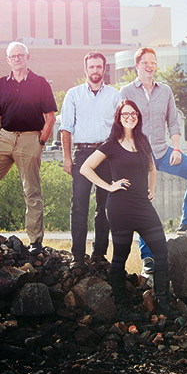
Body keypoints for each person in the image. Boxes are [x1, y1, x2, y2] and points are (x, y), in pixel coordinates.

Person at [80, 100, 178, 320]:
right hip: (120, 208)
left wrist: (152, 189)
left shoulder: (142, 141)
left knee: (161, 252)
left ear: (138, 117)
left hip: (143, 207)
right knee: (120, 257)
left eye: (133, 113)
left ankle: (163, 303)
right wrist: (109, 186)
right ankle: (123, 309)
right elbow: (86, 168)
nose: (130, 117)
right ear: (118, 117)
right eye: (125, 114)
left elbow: (152, 168)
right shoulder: (111, 144)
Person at [120, 47, 187, 275]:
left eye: (154, 62)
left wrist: (177, 148)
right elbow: (123, 125)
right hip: (139, 156)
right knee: (143, 202)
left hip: (162, 152)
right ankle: (147, 258)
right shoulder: (127, 91)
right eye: (146, 62)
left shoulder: (165, 90)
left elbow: (173, 122)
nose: (150, 66)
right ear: (137, 65)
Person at [0, 42, 56, 255]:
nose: (17, 59)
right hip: (4, 138)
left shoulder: (40, 83)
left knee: (31, 190)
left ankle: (35, 242)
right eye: (13, 56)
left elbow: (50, 118)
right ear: (8, 60)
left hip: (30, 139)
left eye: (20, 55)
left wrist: (40, 143)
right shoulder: (1, 84)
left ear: (27, 57)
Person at [61, 52, 120, 269]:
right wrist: (67, 158)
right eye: (92, 67)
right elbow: (65, 128)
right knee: (79, 204)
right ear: (85, 69)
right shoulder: (73, 95)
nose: (95, 70)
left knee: (105, 206)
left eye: (99, 67)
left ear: (104, 69)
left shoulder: (115, 95)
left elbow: (120, 129)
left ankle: (99, 254)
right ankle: (78, 255)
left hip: (107, 153)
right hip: (83, 154)